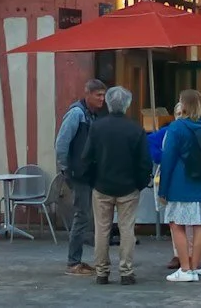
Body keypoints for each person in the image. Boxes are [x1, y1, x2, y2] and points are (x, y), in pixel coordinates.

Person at [75, 87, 152, 287]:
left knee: (102, 230)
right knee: (127, 230)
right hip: (128, 187)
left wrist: (91, 180)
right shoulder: (135, 129)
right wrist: (140, 183)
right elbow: (144, 162)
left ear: (108, 103)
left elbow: (87, 158)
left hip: (102, 186)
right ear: (127, 105)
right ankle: (126, 272)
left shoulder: (97, 127)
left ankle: (102, 272)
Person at [156, 90, 201, 281]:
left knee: (176, 224)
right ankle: (193, 266)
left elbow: (168, 160)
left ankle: (184, 269)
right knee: (200, 225)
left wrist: (163, 189)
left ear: (183, 105)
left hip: (180, 183)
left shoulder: (177, 127)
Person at [56, 79, 107, 276]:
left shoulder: (92, 115)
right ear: (88, 94)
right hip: (78, 173)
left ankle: (78, 259)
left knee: (86, 216)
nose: (102, 99)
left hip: (88, 172)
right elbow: (62, 143)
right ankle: (73, 261)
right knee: (81, 215)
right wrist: (65, 169)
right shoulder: (77, 114)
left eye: (103, 95)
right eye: (98, 95)